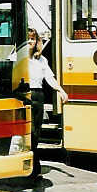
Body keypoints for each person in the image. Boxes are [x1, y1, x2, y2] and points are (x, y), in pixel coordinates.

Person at [28, 28, 68, 179]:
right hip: (24, 95)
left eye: (32, 39)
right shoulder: (16, 57)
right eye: (27, 39)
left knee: (36, 132)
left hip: (38, 95)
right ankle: (33, 165)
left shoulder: (42, 60)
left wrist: (61, 91)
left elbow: (50, 78)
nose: (30, 42)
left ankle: (34, 164)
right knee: (29, 131)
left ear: (37, 41)